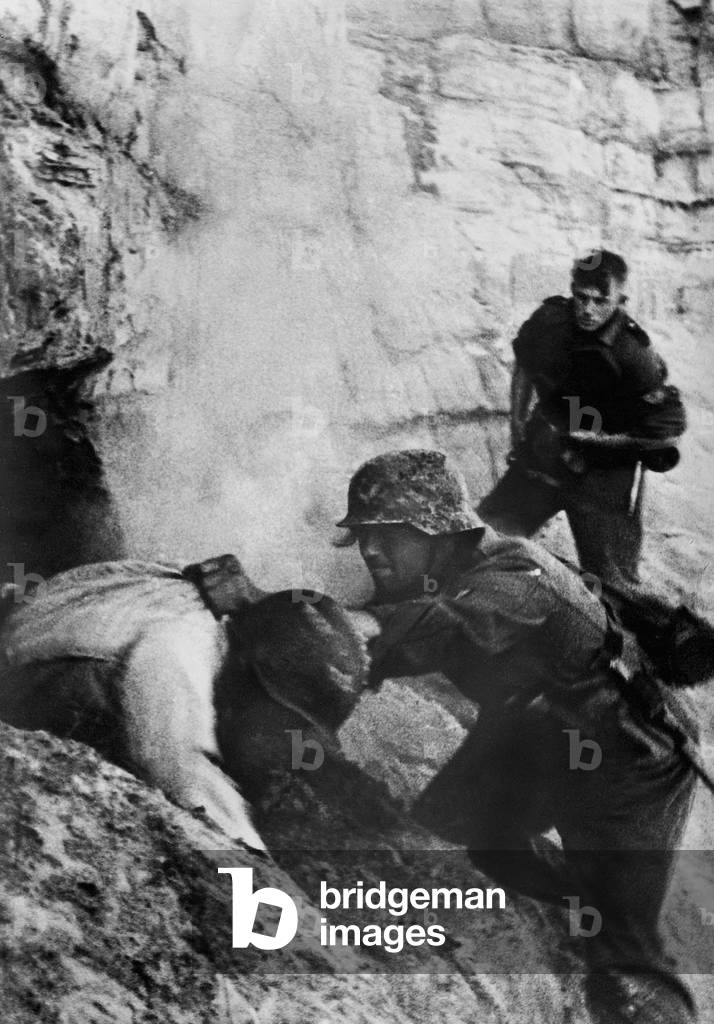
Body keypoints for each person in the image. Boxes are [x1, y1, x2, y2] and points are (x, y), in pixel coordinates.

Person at [337, 448, 699, 1024]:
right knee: (458, 829)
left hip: (633, 763)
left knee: (625, 965)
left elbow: (442, 628)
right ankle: (573, 906)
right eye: (363, 535)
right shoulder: (465, 564)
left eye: (388, 534)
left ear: (436, 530)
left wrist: (288, 617)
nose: (371, 549)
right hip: (547, 730)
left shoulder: (514, 579)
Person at [0, 557, 370, 852]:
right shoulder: (181, 645)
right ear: (249, 675)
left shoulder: (187, 599)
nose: (285, 743)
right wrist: (254, 856)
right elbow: (177, 765)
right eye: (285, 723)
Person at [478, 251, 686, 589]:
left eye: (600, 301)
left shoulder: (634, 355)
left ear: (621, 299)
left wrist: (599, 441)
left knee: (612, 589)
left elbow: (667, 428)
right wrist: (516, 422)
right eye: (581, 297)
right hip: (543, 460)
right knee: (478, 545)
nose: (588, 310)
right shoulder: (551, 321)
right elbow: (525, 362)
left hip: (602, 479)